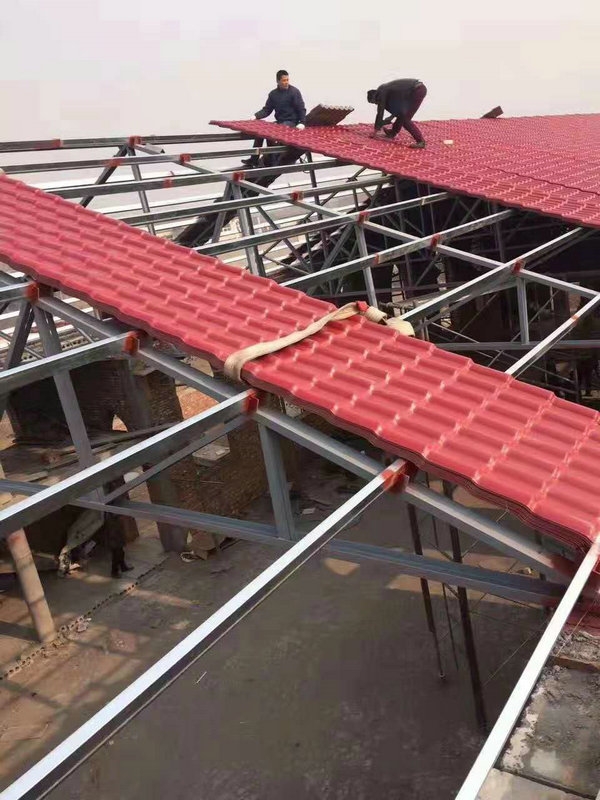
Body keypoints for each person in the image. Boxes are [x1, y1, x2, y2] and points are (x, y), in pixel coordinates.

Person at [242, 70, 307, 167]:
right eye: (284, 80)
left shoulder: (294, 92)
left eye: (287, 80)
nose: (286, 82)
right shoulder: (273, 94)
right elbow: (267, 110)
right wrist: (256, 116)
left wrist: (302, 122)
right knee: (260, 132)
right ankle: (254, 159)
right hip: (280, 121)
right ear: (278, 81)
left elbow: (301, 108)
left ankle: (273, 160)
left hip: (291, 122)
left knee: (275, 132)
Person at [367, 79, 427, 148]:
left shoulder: (381, 93)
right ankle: (392, 133)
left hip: (417, 91)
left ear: (375, 96)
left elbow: (380, 112)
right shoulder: (384, 90)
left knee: (405, 119)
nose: (376, 104)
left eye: (375, 102)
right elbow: (399, 108)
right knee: (402, 115)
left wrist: (376, 130)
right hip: (414, 90)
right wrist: (391, 117)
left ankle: (420, 141)